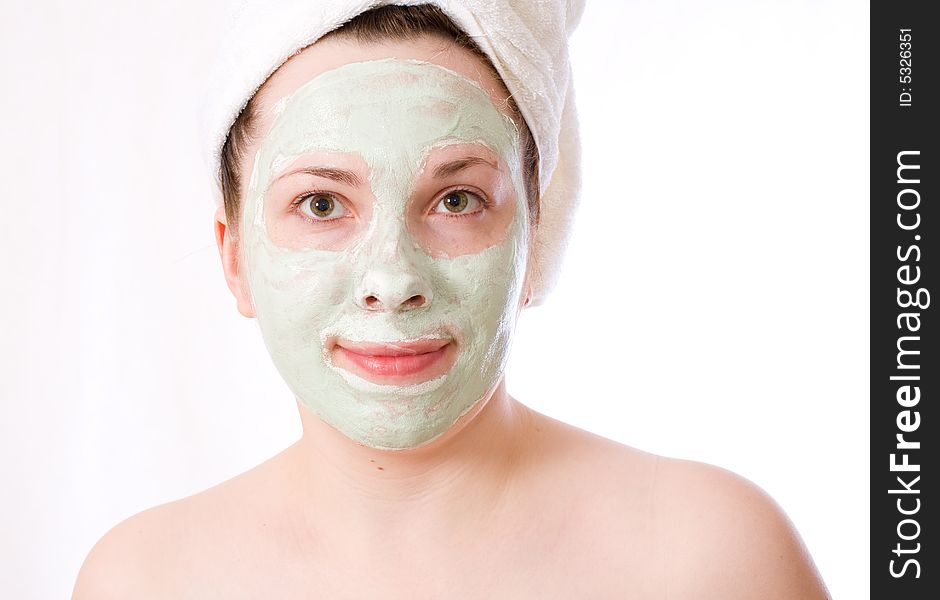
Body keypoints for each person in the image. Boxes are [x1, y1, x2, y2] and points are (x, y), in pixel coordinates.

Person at [73, 3, 830, 598]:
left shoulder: (715, 561)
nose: (393, 277)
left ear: (541, 231)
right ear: (234, 256)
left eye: (458, 198)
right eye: (322, 206)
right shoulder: (143, 581)